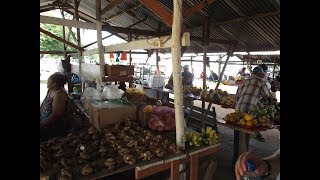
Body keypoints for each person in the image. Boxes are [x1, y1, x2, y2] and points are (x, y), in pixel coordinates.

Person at [232, 66, 272, 166]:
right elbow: (269, 96)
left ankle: (235, 160)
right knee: (245, 136)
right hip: (249, 113)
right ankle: (241, 162)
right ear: (260, 74)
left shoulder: (244, 82)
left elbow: (237, 96)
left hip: (238, 111)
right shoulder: (261, 82)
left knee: (237, 136)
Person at [40, 72, 72, 141]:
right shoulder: (51, 90)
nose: (47, 84)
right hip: (45, 120)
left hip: (54, 125)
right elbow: (43, 105)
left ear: (55, 84)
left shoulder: (59, 94)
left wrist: (43, 125)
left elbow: (56, 115)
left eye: (48, 82)